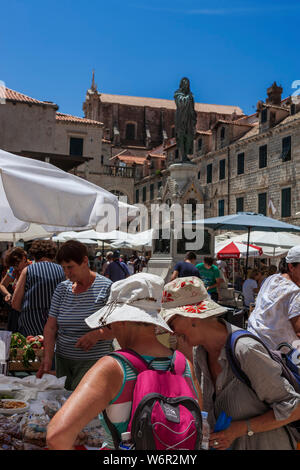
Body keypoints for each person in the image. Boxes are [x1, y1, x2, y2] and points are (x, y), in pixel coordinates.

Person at [45, 273, 198, 450]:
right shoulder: (184, 365)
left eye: (110, 323)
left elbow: (57, 436)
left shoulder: (114, 367)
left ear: (123, 320)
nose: (112, 328)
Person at [160, 276, 300, 450]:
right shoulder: (199, 352)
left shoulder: (245, 350)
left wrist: (241, 429)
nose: (171, 332)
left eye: (172, 323)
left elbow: (295, 409)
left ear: (192, 317)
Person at [36, 240, 114, 391]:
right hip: (63, 362)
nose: (67, 273)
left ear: (84, 261)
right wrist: (47, 358)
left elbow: (118, 327)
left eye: (70, 267)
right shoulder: (62, 288)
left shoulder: (106, 287)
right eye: (64, 268)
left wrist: (96, 335)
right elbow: (51, 327)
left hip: (93, 363)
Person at [247, 247, 300, 350]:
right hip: (274, 353)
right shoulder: (295, 292)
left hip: (253, 339)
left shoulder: (271, 279)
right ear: (291, 267)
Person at [11, 241, 65, 337]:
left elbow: (15, 303)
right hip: (56, 324)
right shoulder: (62, 270)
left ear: (34, 255)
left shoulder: (28, 270)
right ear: (53, 255)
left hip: (31, 325)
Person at [0, 247, 32, 332]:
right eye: (13, 265)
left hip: (29, 310)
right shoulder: (13, 270)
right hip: (15, 309)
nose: (15, 267)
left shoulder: (33, 268)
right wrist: (7, 294)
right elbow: (2, 285)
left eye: (16, 265)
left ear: (24, 258)